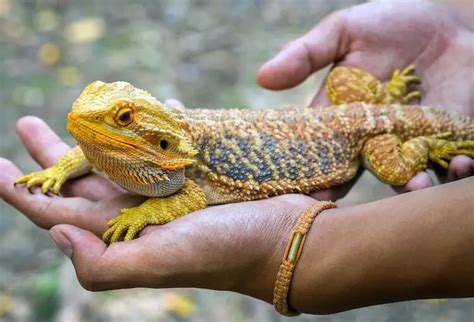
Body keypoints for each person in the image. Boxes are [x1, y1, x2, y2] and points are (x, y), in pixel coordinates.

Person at [0, 0, 472, 315]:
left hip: (360, 135)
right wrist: (62, 168)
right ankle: (390, 102)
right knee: (344, 86)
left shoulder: (180, 164)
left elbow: (183, 198)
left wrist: (146, 212)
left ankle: (426, 142)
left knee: (395, 165)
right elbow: (91, 148)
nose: (92, 123)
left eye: (121, 117)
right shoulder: (141, 148)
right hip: (357, 110)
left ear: (163, 145)